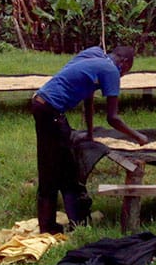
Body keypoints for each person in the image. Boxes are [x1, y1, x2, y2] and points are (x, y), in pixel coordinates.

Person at [31, 45, 148, 234]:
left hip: (41, 104)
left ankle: (58, 224)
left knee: (55, 166)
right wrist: (138, 136)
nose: (124, 75)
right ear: (124, 62)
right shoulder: (111, 71)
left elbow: (88, 98)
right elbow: (113, 118)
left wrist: (91, 133)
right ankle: (71, 226)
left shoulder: (94, 54)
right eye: (128, 70)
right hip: (51, 112)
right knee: (63, 170)